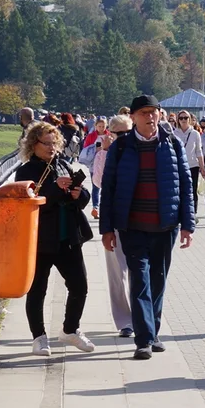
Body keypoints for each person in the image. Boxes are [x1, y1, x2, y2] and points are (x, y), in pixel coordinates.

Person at [99, 94, 195, 360]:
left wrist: (188, 225)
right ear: (133, 117)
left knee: (158, 281)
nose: (150, 117)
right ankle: (143, 340)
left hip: (165, 227)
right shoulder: (120, 148)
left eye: (154, 112)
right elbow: (108, 189)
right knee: (139, 280)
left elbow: (185, 187)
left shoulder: (172, 144)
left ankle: (153, 333)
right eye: (144, 113)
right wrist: (107, 229)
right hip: (133, 227)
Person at [14, 122, 95, 356]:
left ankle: (70, 330)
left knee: (80, 285)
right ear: (33, 145)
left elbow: (81, 199)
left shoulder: (63, 164)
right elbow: (29, 203)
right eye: (46, 143)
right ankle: (38, 338)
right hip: (40, 238)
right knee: (38, 289)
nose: (52, 148)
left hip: (68, 236)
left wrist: (80, 194)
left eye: (54, 143)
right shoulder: (26, 170)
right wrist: (55, 188)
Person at [92, 115, 134, 338]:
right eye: (120, 133)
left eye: (128, 132)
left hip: (137, 219)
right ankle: (124, 321)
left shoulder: (139, 149)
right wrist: (105, 153)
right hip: (114, 219)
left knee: (139, 271)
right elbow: (98, 182)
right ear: (110, 133)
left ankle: (141, 316)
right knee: (117, 273)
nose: (125, 137)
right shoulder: (104, 154)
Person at [174, 110, 204, 218]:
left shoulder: (195, 133)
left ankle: (193, 213)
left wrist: (202, 167)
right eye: (181, 118)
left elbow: (199, 151)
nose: (183, 120)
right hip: (178, 166)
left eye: (186, 118)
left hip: (192, 165)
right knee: (179, 189)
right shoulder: (174, 133)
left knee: (192, 190)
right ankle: (180, 213)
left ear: (190, 119)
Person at [80, 117, 108, 218]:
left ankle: (104, 207)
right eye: (99, 126)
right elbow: (85, 149)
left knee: (106, 187)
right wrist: (95, 148)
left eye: (103, 126)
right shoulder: (91, 136)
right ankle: (95, 208)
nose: (101, 128)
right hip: (94, 164)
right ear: (95, 126)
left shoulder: (109, 135)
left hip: (106, 163)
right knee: (95, 186)